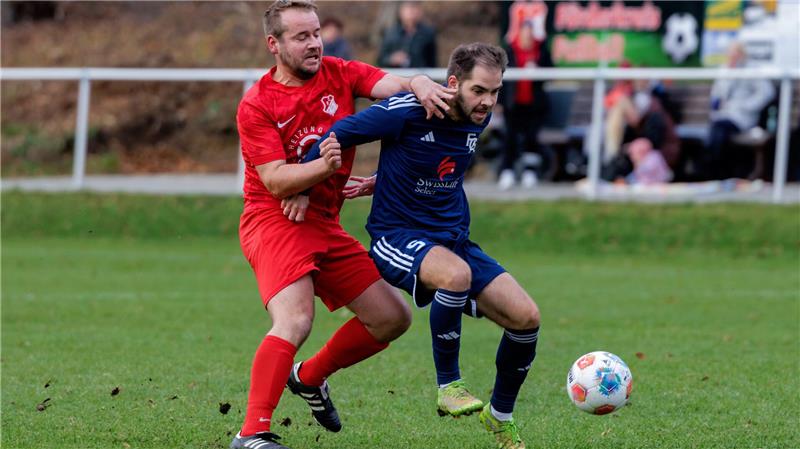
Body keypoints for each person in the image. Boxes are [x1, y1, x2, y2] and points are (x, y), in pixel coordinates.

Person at [231, 1, 455, 449]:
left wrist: (419, 82)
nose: (315, 43)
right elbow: (274, 180)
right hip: (273, 221)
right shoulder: (258, 104)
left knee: (391, 318)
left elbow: (391, 84)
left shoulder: (340, 72)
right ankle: (252, 433)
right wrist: (319, 170)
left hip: (322, 221)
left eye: (316, 33)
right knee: (295, 320)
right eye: (301, 37)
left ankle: (309, 377)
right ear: (273, 45)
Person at [299, 42, 540, 449]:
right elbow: (336, 134)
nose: (487, 102)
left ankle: (499, 416)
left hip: (452, 239)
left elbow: (438, 163)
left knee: (526, 318)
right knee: (455, 276)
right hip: (397, 236)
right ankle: (449, 386)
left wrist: (387, 178)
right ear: (453, 83)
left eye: (496, 91)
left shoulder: (477, 119)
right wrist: (302, 185)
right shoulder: (409, 110)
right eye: (479, 90)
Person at [705, 42, 775, 179]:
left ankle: (716, 172)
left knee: (718, 131)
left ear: (742, 55)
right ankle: (718, 171)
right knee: (718, 131)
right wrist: (716, 106)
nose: (732, 57)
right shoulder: (724, 70)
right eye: (730, 54)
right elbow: (716, 95)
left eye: (735, 54)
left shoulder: (751, 71)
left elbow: (767, 92)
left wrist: (747, 106)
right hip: (723, 116)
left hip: (742, 118)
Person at [497, 19, 552, 190]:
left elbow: (551, 72)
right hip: (513, 104)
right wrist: (498, 102)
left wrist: (538, 69)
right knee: (510, 137)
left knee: (531, 139)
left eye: (530, 32)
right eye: (524, 32)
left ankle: (530, 172)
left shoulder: (541, 51)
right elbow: (500, 79)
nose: (527, 36)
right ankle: (507, 171)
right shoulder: (508, 50)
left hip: (534, 105)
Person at [602, 76, 679, 182]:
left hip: (659, 153)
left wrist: (633, 148)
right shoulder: (636, 116)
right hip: (645, 151)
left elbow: (652, 142)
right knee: (621, 155)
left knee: (636, 153)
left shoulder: (654, 109)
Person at [377, 1, 437, 68]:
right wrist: (392, 59)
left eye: (414, 8)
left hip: (420, 75)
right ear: (400, 12)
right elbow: (380, 60)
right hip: (396, 75)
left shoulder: (428, 33)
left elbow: (432, 61)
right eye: (408, 9)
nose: (411, 12)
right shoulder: (390, 33)